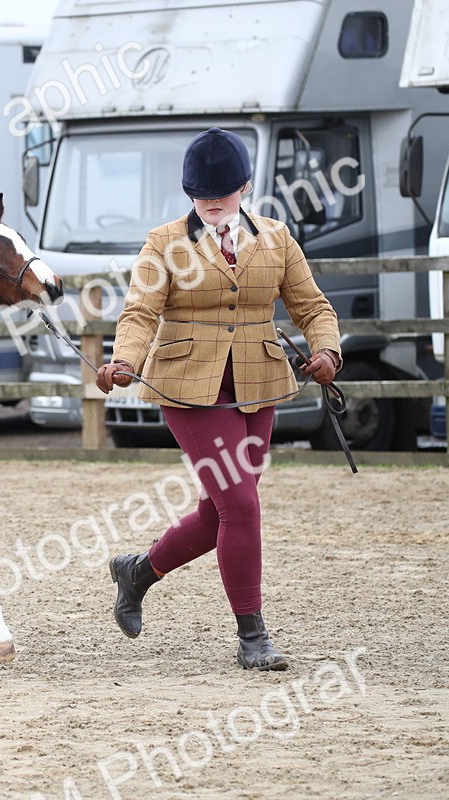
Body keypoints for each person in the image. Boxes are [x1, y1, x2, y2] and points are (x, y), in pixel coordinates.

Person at [94, 128, 342, 671]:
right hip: (189, 388)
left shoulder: (276, 238)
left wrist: (326, 350)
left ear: (245, 187)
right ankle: (253, 635)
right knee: (242, 505)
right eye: (200, 194)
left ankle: (138, 572)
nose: (210, 202)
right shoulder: (165, 243)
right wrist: (126, 361)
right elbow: (140, 312)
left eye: (222, 193)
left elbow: (312, 306)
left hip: (258, 385)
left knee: (221, 512)